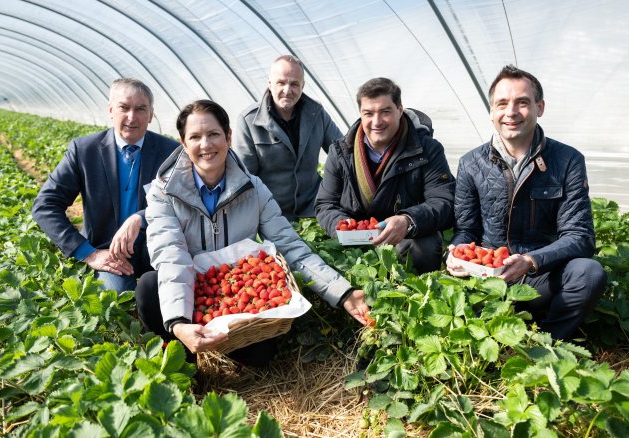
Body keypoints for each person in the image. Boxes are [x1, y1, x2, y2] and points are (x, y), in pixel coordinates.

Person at [135, 99, 369, 365]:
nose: (205, 144)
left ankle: (232, 345)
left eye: (213, 134)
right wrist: (178, 323)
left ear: (228, 137)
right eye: (195, 137)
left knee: (259, 357)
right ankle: (186, 365)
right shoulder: (163, 193)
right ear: (183, 143)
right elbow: (171, 256)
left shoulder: (253, 189)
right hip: (191, 288)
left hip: (238, 298)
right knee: (148, 286)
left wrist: (344, 293)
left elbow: (289, 245)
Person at [446, 65, 606, 340]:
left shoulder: (567, 161)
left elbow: (580, 236)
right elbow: (467, 230)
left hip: (539, 278)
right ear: (491, 111)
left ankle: (548, 342)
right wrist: (458, 251)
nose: (511, 112)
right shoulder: (471, 164)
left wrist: (532, 260)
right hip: (486, 277)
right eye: (502, 103)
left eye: (522, 102)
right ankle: (489, 331)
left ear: (539, 107)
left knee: (589, 274)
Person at [32, 78, 180, 293]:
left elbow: (181, 202)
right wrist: (88, 253)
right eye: (124, 107)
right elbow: (45, 205)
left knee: (169, 293)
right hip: (107, 249)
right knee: (118, 299)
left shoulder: (170, 152)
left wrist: (141, 217)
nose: (132, 117)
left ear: (150, 114)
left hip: (156, 245)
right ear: (111, 110)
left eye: (140, 109)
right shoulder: (84, 150)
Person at [315, 77, 455, 274]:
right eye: (368, 113)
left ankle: (415, 296)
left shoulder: (427, 150)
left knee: (426, 246)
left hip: (405, 237)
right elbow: (325, 204)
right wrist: (345, 227)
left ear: (400, 109)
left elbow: (444, 201)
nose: (377, 121)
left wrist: (408, 220)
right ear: (360, 114)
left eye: (385, 112)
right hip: (355, 242)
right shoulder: (341, 152)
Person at [231, 55, 343, 221]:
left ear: (302, 86)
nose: (287, 90)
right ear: (270, 84)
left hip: (315, 212)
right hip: (271, 215)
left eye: (294, 84)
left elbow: (343, 153)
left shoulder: (316, 114)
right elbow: (244, 178)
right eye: (281, 83)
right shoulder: (249, 121)